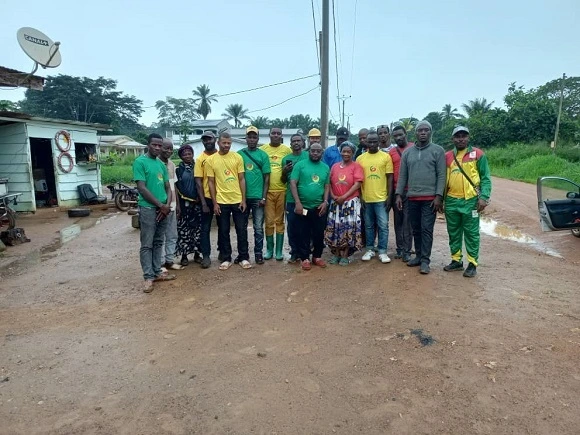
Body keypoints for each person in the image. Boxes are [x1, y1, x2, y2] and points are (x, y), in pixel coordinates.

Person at [395, 120, 446, 275]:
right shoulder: (407, 153)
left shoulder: (438, 151)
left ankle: (425, 261)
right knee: (415, 229)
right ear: (415, 133)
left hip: (430, 199)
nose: (423, 133)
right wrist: (398, 194)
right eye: (420, 130)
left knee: (426, 229)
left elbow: (442, 175)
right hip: (412, 198)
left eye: (426, 130)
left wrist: (439, 196)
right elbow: (403, 175)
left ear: (430, 132)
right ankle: (417, 256)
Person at [443, 126, 492, 278]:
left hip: (471, 201)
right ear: (453, 139)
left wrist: (484, 197)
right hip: (451, 201)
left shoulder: (478, 154)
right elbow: (443, 178)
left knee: (471, 233)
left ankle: (472, 263)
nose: (461, 138)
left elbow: (485, 178)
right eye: (457, 136)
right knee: (454, 232)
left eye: (464, 136)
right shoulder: (447, 156)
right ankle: (456, 260)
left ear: (468, 137)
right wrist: (442, 199)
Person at [133, 133, 175, 293]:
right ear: (148, 145)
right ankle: (148, 276)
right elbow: (142, 188)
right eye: (155, 145)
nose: (157, 148)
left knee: (158, 242)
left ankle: (157, 272)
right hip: (148, 208)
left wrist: (166, 205)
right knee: (147, 244)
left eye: (159, 145)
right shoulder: (140, 162)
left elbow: (168, 187)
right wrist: (159, 205)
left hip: (163, 208)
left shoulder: (161, 165)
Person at [207, 132, 250, 270]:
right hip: (221, 201)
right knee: (223, 230)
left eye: (229, 143)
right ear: (218, 143)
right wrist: (214, 203)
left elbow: (242, 179)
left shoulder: (237, 157)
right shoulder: (211, 160)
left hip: (237, 200)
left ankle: (244, 257)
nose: (226, 145)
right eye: (224, 143)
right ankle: (226, 258)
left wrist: (243, 200)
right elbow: (211, 182)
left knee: (241, 230)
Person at [289, 143, 330, 270]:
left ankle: (317, 256)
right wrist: (297, 203)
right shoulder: (300, 165)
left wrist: (325, 202)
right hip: (304, 208)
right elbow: (293, 182)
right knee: (303, 233)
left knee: (318, 233)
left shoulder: (325, 167)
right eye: (313, 151)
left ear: (321, 153)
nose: (315, 153)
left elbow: (327, 186)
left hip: (318, 208)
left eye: (318, 151)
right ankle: (305, 258)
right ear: (309, 151)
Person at [356, 132, 394, 264]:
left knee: (383, 225)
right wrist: (360, 196)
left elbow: (390, 177)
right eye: (369, 141)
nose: (372, 144)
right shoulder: (360, 159)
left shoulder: (386, 157)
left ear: (379, 142)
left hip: (381, 198)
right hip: (366, 198)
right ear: (366, 142)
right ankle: (370, 249)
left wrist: (389, 197)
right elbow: (358, 180)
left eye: (374, 141)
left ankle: (383, 251)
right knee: (369, 225)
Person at [324, 141, 364, 265]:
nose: (345, 153)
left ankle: (345, 255)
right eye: (343, 151)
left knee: (348, 229)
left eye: (348, 152)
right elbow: (329, 182)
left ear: (352, 153)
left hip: (350, 203)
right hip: (336, 202)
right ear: (340, 152)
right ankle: (336, 254)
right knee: (335, 228)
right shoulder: (335, 166)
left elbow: (357, 184)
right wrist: (333, 195)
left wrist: (344, 197)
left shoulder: (356, 166)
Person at [238, 126, 271, 265]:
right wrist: (241, 198)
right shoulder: (239, 154)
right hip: (243, 198)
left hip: (258, 198)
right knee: (241, 228)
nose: (251, 139)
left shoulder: (263, 155)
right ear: (245, 138)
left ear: (258, 139)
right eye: (249, 137)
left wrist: (263, 197)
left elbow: (267, 178)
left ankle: (258, 253)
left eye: (254, 137)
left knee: (258, 227)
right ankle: (243, 255)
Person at [260, 127, 292, 260]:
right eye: (273, 133)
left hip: (282, 191)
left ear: (281, 136)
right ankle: (269, 250)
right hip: (267, 192)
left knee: (280, 221)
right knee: (269, 222)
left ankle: (279, 251)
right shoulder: (262, 150)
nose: (276, 135)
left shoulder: (287, 150)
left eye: (278, 133)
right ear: (269, 135)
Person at [281, 133, 308, 262]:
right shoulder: (286, 159)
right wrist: (284, 171)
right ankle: (294, 252)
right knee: (292, 227)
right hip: (291, 200)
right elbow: (283, 181)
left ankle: (305, 253)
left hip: (306, 200)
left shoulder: (308, 156)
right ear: (290, 144)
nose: (296, 143)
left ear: (303, 143)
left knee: (305, 227)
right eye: (294, 141)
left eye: (298, 140)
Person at [194, 130, 219, 269]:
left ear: (214, 139)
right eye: (205, 139)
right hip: (208, 199)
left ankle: (223, 252)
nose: (207, 141)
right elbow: (198, 182)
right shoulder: (200, 159)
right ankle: (206, 255)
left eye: (209, 139)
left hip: (223, 198)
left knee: (224, 227)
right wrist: (203, 202)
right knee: (205, 228)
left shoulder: (222, 156)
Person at [174, 144, 202, 267]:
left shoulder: (198, 167)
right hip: (184, 204)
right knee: (184, 231)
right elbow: (176, 187)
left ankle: (197, 254)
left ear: (192, 154)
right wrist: (179, 206)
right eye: (184, 154)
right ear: (181, 156)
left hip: (197, 204)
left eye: (189, 153)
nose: (187, 156)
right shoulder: (178, 170)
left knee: (197, 230)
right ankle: (184, 256)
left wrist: (199, 199)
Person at [159, 139, 184, 270]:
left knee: (172, 234)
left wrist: (178, 204)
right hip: (160, 206)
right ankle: (161, 263)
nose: (168, 151)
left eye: (170, 149)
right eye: (166, 148)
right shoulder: (155, 164)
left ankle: (169, 260)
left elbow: (173, 186)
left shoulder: (171, 165)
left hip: (172, 205)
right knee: (160, 236)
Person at [389, 126, 414, 262]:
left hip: (411, 191)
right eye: (395, 136)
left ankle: (407, 250)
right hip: (396, 191)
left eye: (400, 135)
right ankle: (399, 248)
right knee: (398, 221)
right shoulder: (391, 152)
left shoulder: (414, 148)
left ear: (406, 134)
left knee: (407, 222)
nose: (398, 138)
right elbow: (390, 174)